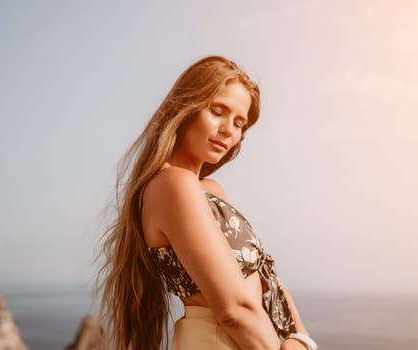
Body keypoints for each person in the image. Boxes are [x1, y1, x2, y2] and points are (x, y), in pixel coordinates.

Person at [96, 56, 317, 350]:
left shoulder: (208, 190)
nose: (229, 129)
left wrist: (302, 338)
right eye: (218, 112)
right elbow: (233, 310)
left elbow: (266, 277)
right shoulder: (173, 185)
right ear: (185, 109)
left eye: (240, 123)